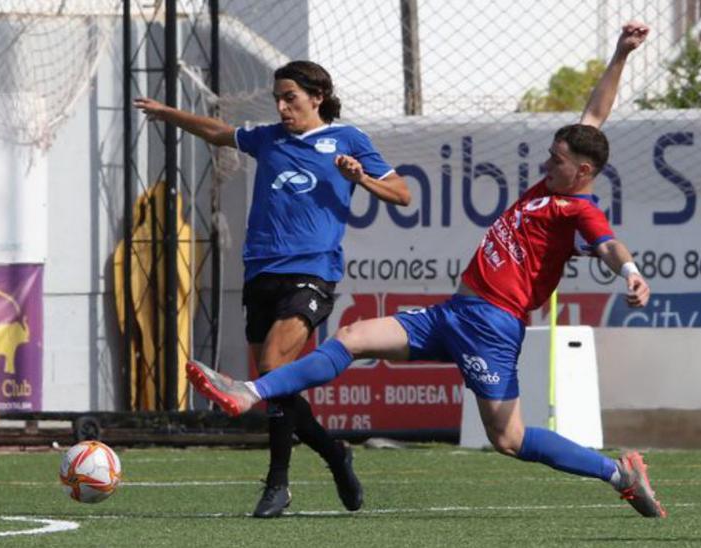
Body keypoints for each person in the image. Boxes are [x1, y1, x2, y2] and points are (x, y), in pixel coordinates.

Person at [186, 22, 668, 519]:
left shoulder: (578, 209)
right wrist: (620, 54)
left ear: (583, 172)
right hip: (455, 313)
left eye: (559, 160)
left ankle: (619, 474)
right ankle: (250, 391)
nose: (548, 163)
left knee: (509, 437)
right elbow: (595, 116)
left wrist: (628, 270)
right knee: (352, 338)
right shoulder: (551, 186)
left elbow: (608, 245)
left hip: (491, 327)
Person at [135, 61, 410, 518]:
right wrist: (170, 113)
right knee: (274, 384)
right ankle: (334, 453)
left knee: (269, 368)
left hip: (313, 271)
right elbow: (219, 132)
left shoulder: (347, 140)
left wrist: (358, 176)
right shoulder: (268, 138)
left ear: (317, 97)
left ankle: (278, 483)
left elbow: (401, 194)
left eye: (291, 98)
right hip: (261, 272)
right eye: (278, 99)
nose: (282, 107)